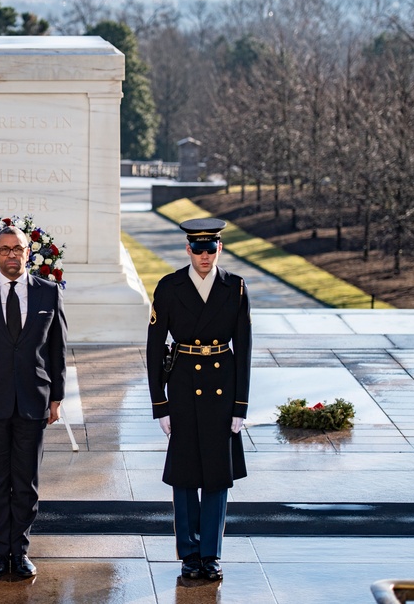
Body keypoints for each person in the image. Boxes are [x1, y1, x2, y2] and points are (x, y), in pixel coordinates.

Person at [0, 224, 67, 579]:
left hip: (34, 400)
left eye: (17, 248)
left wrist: (57, 397)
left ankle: (20, 551)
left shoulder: (49, 293)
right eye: (4, 249)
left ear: (29, 252)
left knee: (26, 481)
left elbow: (57, 350)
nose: (12, 255)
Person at [146, 217, 251, 582]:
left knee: (217, 477)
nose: (204, 256)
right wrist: (159, 403)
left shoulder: (235, 287)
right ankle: (190, 555)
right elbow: (154, 348)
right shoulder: (170, 286)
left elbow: (245, 348)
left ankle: (211, 554)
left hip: (222, 386)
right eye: (198, 249)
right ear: (187, 249)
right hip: (184, 386)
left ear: (220, 249)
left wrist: (241, 405)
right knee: (187, 475)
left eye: (211, 248)